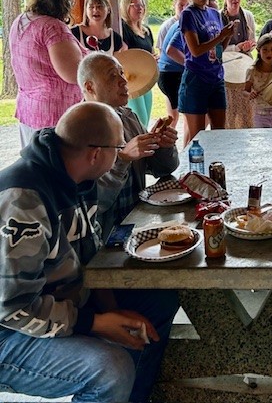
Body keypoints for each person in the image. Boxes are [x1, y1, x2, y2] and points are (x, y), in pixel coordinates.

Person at [0, 101, 179, 403]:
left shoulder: (78, 178)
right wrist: (95, 323)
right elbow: (13, 308)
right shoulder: (24, 202)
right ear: (96, 154)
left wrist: (109, 311)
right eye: (118, 147)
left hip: (61, 302)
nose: (121, 154)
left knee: (159, 301)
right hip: (10, 330)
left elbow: (87, 257)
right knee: (111, 369)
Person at [78, 52, 179, 239]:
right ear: (90, 87)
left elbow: (164, 170)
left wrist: (163, 146)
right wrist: (122, 159)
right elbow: (94, 203)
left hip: (136, 223)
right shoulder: (76, 129)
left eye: (122, 73)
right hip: (101, 237)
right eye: (112, 76)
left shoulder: (128, 117)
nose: (124, 81)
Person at [9, 0, 86, 147]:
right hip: (55, 115)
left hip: (28, 109)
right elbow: (73, 73)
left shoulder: (20, 20)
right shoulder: (52, 27)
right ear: (63, 1)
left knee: (34, 161)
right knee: (57, 163)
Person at [178, 0, 236, 138]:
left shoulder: (214, 13)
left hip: (216, 77)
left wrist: (227, 35)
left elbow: (218, 50)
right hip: (197, 78)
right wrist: (221, 36)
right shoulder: (188, 15)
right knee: (198, 137)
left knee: (219, 134)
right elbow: (195, 50)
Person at [221, 0, 256, 129]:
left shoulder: (248, 16)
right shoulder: (218, 18)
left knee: (247, 112)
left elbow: (252, 42)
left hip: (245, 70)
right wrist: (236, 48)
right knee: (230, 112)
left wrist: (249, 46)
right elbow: (217, 50)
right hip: (226, 71)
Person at [119, 0, 155, 129]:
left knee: (146, 119)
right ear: (126, 8)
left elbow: (151, 52)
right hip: (131, 80)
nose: (140, 8)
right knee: (140, 119)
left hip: (146, 79)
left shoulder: (146, 30)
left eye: (142, 5)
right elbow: (124, 55)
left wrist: (153, 58)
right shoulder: (123, 29)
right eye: (135, 5)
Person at [244, 33, 272, 128]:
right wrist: (250, 94)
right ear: (258, 50)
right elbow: (245, 91)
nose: (269, 53)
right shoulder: (252, 70)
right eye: (265, 50)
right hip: (260, 115)